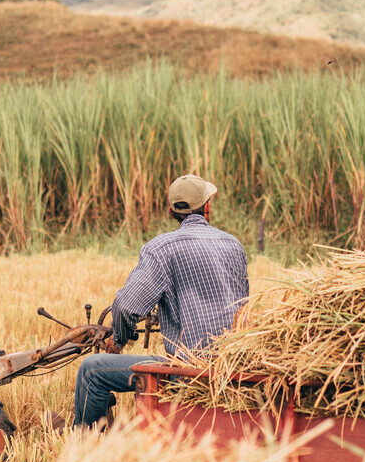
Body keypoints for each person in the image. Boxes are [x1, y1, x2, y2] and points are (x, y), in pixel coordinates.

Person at [73, 174, 249, 429]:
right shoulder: (234, 245)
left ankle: (84, 451)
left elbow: (127, 307)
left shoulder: (161, 249)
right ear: (207, 206)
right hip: (232, 370)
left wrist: (119, 339)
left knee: (91, 370)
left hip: (188, 373)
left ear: (171, 212)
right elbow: (243, 309)